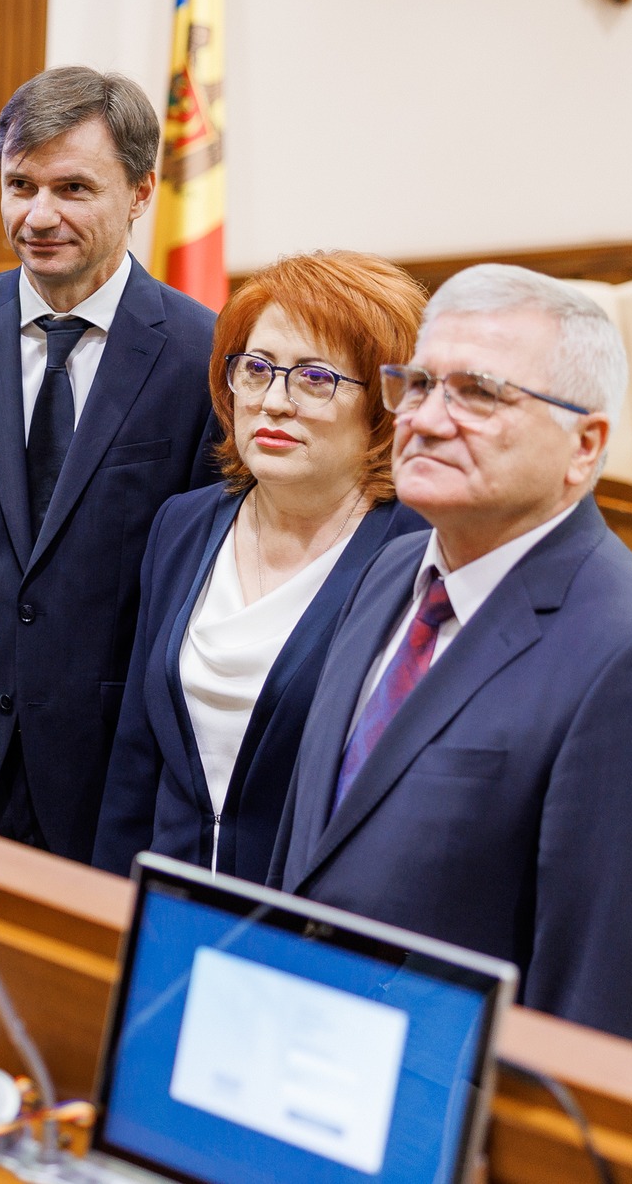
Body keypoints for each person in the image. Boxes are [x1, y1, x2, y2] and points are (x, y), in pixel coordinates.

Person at [271, 263, 632, 1050]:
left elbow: (608, 1022)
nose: (427, 419)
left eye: (479, 394)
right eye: (420, 385)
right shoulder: (392, 569)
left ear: (585, 446)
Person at [0, 66, 220, 863]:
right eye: (21, 185)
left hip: (105, 775)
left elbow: (196, 591)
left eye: (73, 188)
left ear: (141, 193)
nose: (39, 216)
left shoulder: (202, 353)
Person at [91, 252, 429, 881]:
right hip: (169, 907)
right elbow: (137, 761)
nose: (274, 401)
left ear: (386, 403)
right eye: (256, 369)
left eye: (315, 378)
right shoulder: (183, 526)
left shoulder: (418, 555)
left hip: (309, 917)